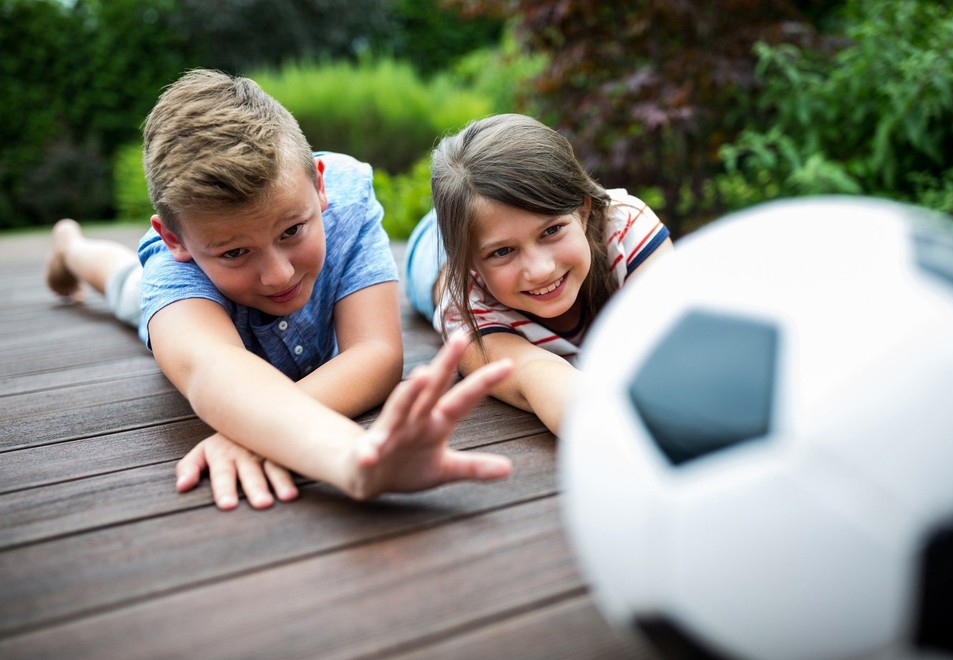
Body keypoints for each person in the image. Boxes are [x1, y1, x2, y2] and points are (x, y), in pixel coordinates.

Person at [45, 69, 513, 510]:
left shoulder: (346, 199)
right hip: (189, 306)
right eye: (234, 253)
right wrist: (351, 459)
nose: (278, 275)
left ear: (319, 187)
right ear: (175, 240)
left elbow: (376, 353)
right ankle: (72, 248)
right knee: (128, 287)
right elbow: (215, 372)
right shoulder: (173, 272)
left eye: (292, 231)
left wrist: (256, 424)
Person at [404, 113, 673, 435]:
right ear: (472, 264)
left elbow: (670, 340)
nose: (540, 270)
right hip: (432, 250)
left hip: (487, 219)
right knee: (463, 235)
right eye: (502, 252)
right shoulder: (465, 306)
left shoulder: (627, 226)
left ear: (584, 211)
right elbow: (535, 373)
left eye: (552, 230)